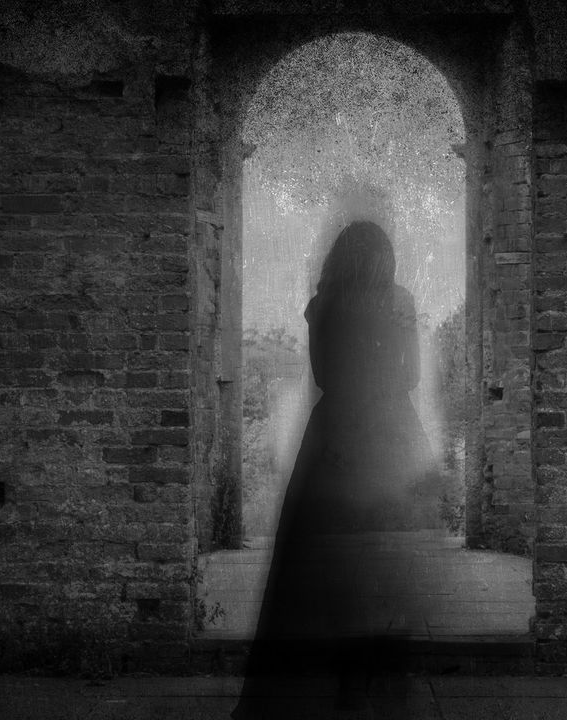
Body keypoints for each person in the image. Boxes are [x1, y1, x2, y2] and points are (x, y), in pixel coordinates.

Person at [233, 221, 432, 720]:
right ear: (385, 259)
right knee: (381, 565)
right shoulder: (401, 301)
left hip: (335, 436)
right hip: (390, 435)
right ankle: (364, 686)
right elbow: (410, 376)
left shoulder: (322, 304)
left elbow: (323, 375)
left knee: (314, 566)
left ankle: (313, 691)